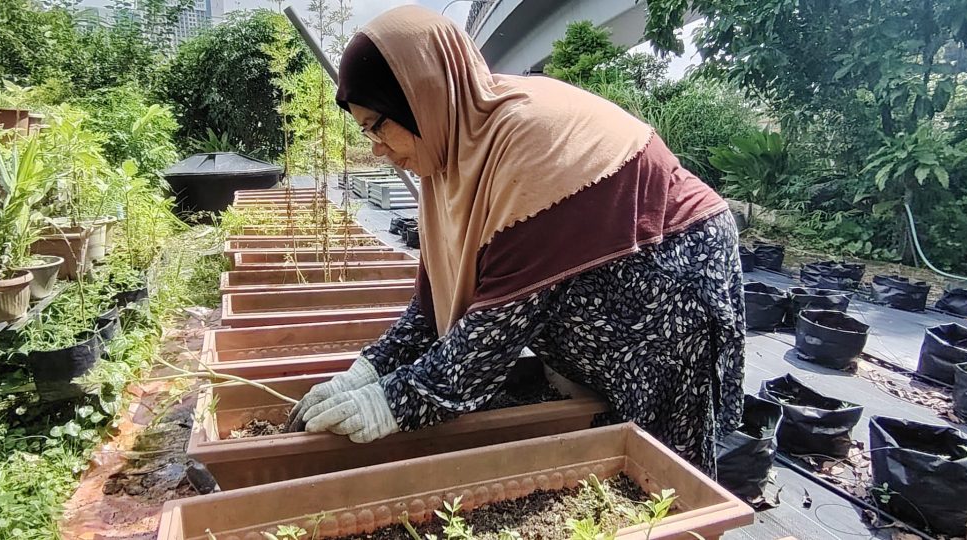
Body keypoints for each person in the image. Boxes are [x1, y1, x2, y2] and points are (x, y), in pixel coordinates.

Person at [287, 5, 745, 473]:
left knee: (656, 451)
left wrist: (390, 403)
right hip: (602, 279)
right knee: (605, 419)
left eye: (377, 126)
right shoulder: (453, 154)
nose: (375, 149)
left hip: (667, 272)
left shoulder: (524, 150)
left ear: (420, 97)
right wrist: (369, 369)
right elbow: (434, 304)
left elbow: (489, 337)